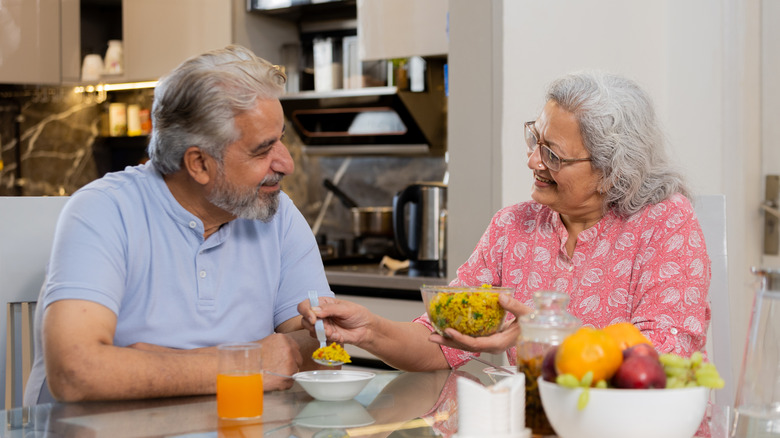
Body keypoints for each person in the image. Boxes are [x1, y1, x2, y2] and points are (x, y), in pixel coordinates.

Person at [299, 70, 712, 371]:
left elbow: (663, 356)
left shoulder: (665, 222)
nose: (533, 161)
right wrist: (369, 330)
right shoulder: (513, 227)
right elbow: (442, 340)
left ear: (613, 171)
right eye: (536, 139)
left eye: (553, 153)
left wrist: (540, 335)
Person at [24, 45, 333, 405]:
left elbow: (323, 353)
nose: (286, 164)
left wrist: (153, 361)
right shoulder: (103, 211)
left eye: (281, 139)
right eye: (263, 150)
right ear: (199, 163)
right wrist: (243, 364)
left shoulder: (275, 213)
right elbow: (75, 372)